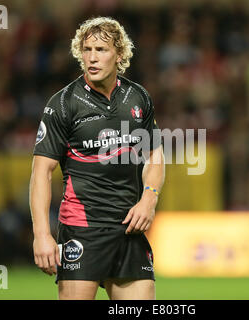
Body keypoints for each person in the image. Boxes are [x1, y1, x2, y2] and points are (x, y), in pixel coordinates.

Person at [29, 17, 165, 300]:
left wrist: (149, 199)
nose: (91, 57)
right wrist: (41, 235)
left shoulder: (138, 98)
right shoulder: (63, 104)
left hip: (129, 230)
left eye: (101, 50)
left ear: (119, 54)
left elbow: (155, 155)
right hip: (82, 231)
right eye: (86, 49)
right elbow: (41, 173)